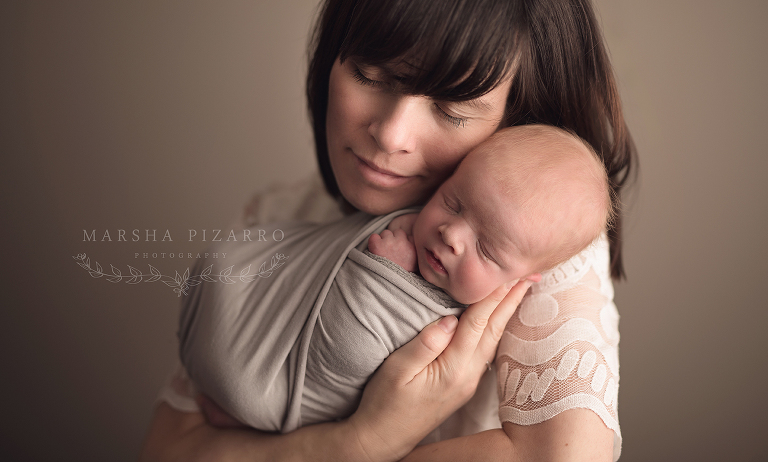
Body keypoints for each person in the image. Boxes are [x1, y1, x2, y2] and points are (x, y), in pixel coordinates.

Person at [139, 0, 636, 460]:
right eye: (373, 75)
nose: (392, 134)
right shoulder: (282, 213)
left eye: (453, 109)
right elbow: (163, 447)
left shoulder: (536, 248)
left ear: (517, 118)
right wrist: (362, 441)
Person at [177, 125, 613, 434]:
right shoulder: (395, 205)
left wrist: (380, 278)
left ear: (523, 279)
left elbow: (353, 355)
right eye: (454, 202)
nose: (452, 235)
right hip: (240, 316)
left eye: (487, 249)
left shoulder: (522, 312)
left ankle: (257, 413)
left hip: (273, 389)